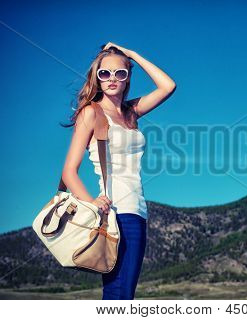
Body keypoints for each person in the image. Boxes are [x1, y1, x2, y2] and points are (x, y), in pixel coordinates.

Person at [60, 42, 176, 299]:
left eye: (120, 73)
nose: (112, 78)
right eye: (104, 73)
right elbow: (69, 171)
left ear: (127, 79)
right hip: (115, 212)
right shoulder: (91, 113)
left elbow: (168, 86)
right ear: (96, 77)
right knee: (118, 295)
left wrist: (131, 54)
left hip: (138, 212)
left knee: (124, 295)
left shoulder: (131, 113)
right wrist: (91, 202)